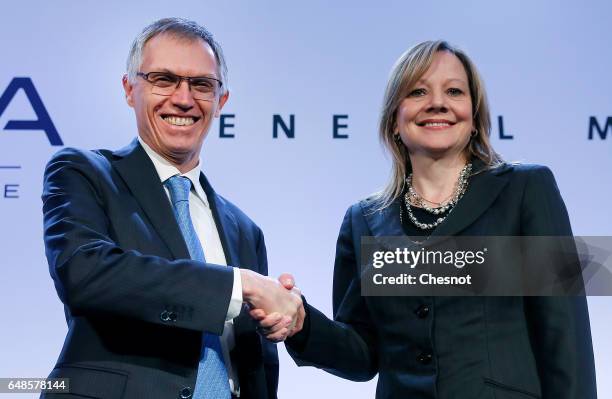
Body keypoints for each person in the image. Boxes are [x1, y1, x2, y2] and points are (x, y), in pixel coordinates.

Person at [253, 41, 597, 398]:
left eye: (454, 91)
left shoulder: (526, 189)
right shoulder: (365, 219)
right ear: (395, 120)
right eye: (418, 91)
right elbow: (362, 355)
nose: (438, 102)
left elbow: (565, 336)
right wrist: (301, 322)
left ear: (474, 116)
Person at [41, 18, 303, 399]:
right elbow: (84, 273)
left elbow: (252, 361)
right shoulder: (83, 172)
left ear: (221, 102)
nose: (183, 98)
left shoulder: (245, 230)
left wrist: (286, 314)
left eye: (201, 85)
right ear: (130, 89)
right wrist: (240, 283)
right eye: (163, 79)